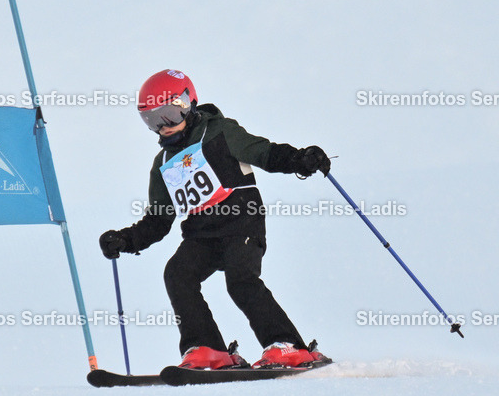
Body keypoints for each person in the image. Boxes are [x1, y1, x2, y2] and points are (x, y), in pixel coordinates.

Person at [99, 69, 332, 370]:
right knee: (177, 274)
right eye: (153, 120)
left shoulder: (219, 132)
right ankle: (208, 349)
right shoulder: (164, 164)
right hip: (201, 234)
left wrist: (300, 159)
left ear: (187, 103)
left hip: (241, 223)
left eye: (169, 114)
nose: (164, 126)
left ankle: (288, 346)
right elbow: (158, 219)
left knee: (240, 280)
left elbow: (266, 153)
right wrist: (126, 239)